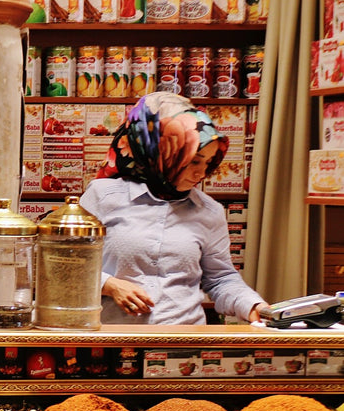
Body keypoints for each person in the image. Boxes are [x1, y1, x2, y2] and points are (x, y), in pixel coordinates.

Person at [81, 92, 266, 325]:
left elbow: (221, 279)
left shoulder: (210, 211)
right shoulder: (102, 195)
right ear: (162, 150)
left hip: (183, 341)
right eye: (194, 160)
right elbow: (67, 267)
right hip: (113, 339)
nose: (201, 173)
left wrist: (254, 305)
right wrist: (110, 285)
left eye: (209, 163)